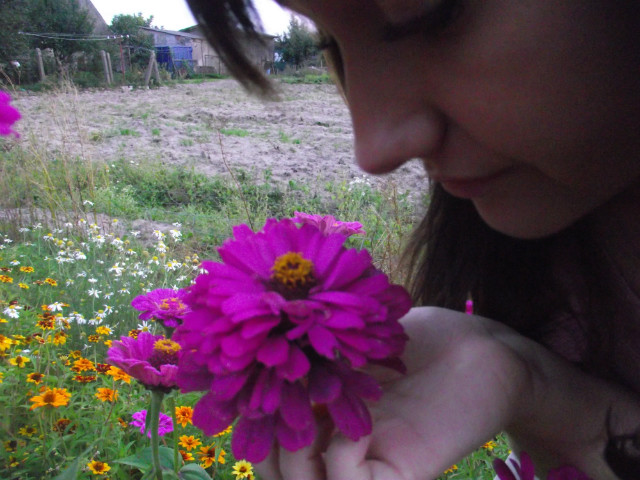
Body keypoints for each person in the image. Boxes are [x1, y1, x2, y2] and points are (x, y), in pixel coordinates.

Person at [184, 1, 640, 479]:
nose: (373, 148)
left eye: (432, 19)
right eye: (332, 44)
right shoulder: (547, 264)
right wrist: (542, 391)